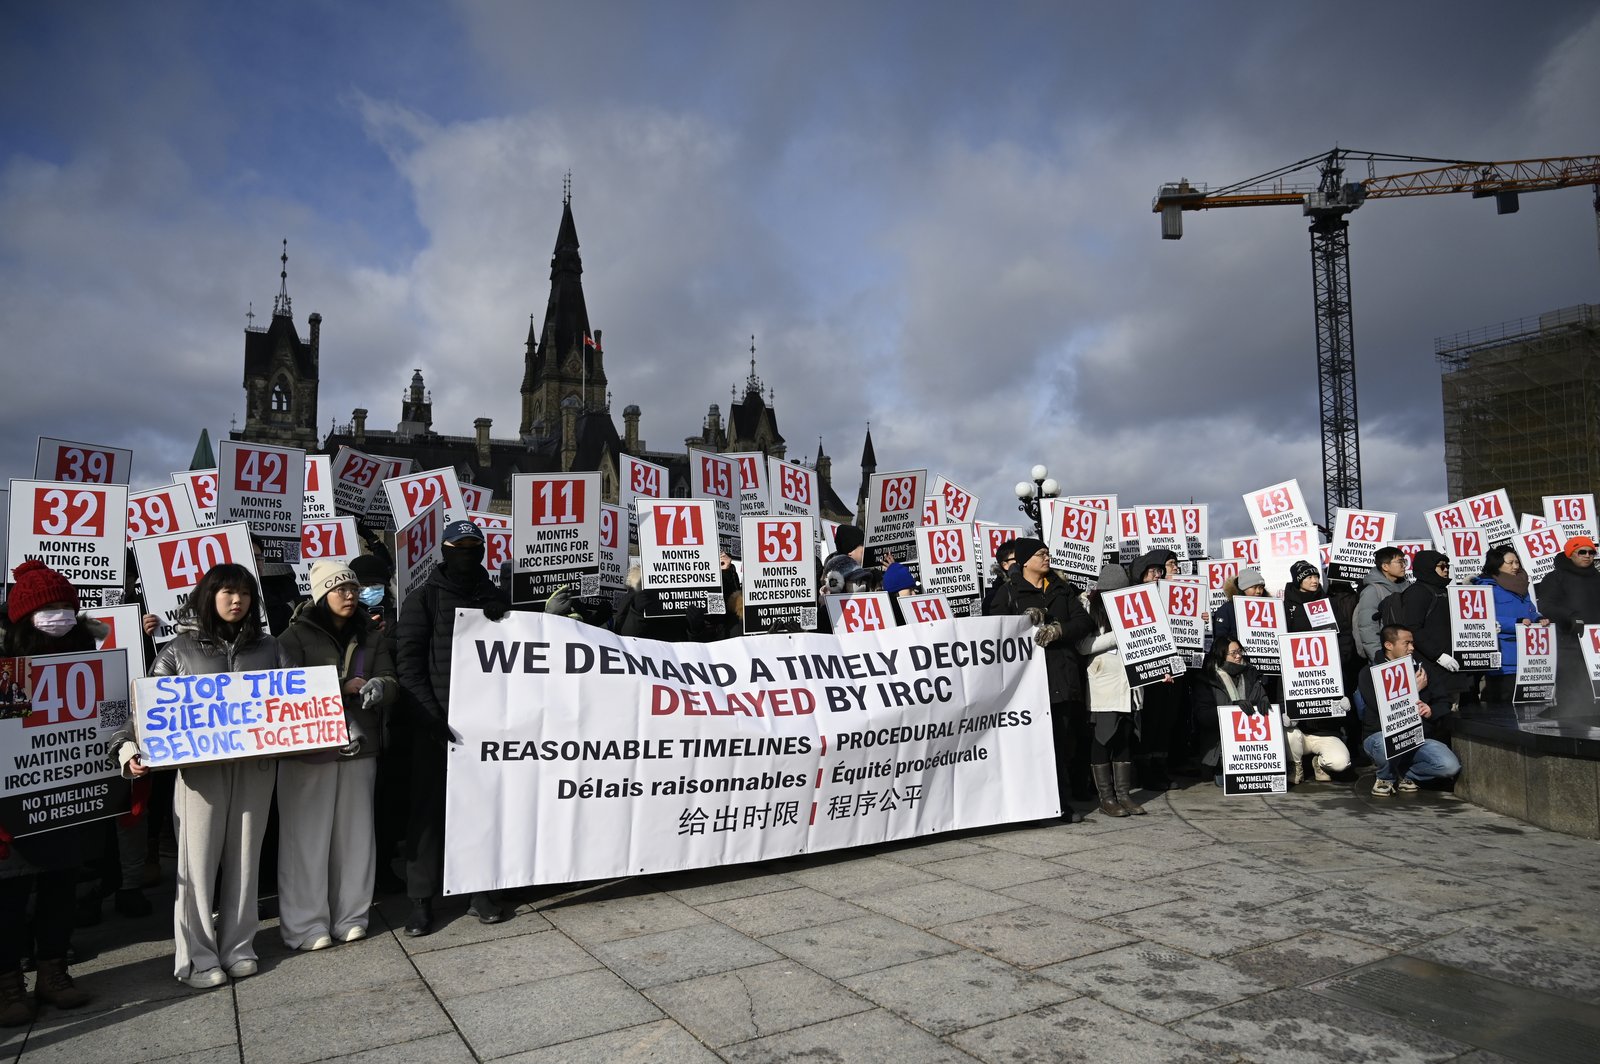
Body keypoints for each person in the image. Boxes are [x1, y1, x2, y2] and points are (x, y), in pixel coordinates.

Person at [116, 563, 287, 989]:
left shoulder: (270, 647)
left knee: (246, 861)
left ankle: (239, 947)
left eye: (244, 593)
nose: (237, 601)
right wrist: (128, 748)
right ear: (208, 596)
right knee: (197, 864)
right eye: (227, 592)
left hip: (255, 768)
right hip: (200, 774)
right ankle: (196, 957)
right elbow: (143, 710)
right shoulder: (178, 650)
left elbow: (297, 695)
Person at [274, 561, 397, 950]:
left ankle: (351, 916)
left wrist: (381, 686)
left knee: (356, 836)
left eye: (353, 589)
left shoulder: (370, 634)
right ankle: (305, 925)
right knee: (305, 838)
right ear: (321, 595)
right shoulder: (292, 637)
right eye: (340, 589)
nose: (350, 595)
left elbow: (391, 678)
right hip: (309, 749)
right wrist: (339, 686)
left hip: (361, 747)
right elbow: (284, 687)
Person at [395, 519, 508, 936]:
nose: (468, 554)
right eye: (460, 547)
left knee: (481, 809)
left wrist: (505, 617)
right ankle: (421, 900)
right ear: (445, 551)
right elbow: (408, 664)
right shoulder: (422, 599)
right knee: (427, 814)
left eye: (474, 547)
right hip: (436, 726)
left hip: (485, 727)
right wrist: (430, 715)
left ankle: (479, 890)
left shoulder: (496, 597)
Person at [0, 562, 98, 1023]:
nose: (59, 616)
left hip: (68, 794)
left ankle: (53, 972)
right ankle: (8, 984)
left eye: (65, 606)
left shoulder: (86, 654)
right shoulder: (8, 664)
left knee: (61, 885)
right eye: (48, 608)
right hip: (17, 798)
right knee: (10, 893)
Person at [985, 539, 1095, 819]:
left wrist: (1060, 630)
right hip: (1027, 684)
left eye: (1047, 553)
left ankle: (1060, 803)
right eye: (1040, 554)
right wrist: (1021, 623)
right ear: (1025, 561)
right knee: (1031, 746)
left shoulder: (1061, 588)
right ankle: (1031, 806)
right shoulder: (1009, 592)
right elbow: (993, 631)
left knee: (1062, 744)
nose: (1047, 558)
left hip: (1062, 677)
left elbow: (1084, 622)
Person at [1357, 625, 1461, 795]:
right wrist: (1413, 689)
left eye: (1412, 643)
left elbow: (1444, 701)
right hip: (1381, 735)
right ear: (1389, 645)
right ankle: (1385, 778)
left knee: (1449, 766)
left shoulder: (1422, 669)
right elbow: (1380, 707)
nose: (1412, 648)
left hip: (1417, 737)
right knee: (1385, 745)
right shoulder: (1369, 673)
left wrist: (1431, 710)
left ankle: (1405, 774)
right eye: (1406, 643)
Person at [1077, 564, 1144, 816]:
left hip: (1130, 682)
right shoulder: (1089, 608)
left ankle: (1123, 795)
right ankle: (1106, 798)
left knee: (1125, 738)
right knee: (1103, 739)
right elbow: (1083, 646)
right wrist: (1119, 635)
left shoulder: (1136, 608)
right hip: (1104, 683)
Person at [1279, 560, 1352, 782]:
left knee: (1341, 762)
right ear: (1298, 580)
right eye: (1309, 577)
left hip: (1326, 673)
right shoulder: (1285, 607)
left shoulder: (1328, 603)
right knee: (1289, 731)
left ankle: (1320, 763)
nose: (1314, 580)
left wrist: (1341, 657)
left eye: (1316, 576)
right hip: (1297, 675)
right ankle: (1295, 766)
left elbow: (1343, 633)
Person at [1388, 550, 1469, 733]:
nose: (1446, 570)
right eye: (1441, 566)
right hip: (1432, 666)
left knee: (1452, 714)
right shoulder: (1417, 593)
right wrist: (1438, 655)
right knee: (1438, 716)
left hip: (1451, 666)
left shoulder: (1444, 591)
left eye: (1447, 566)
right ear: (1428, 568)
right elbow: (1413, 629)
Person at [1190, 637, 1275, 785]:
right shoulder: (1207, 680)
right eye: (1233, 653)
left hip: (1250, 746)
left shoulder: (1250, 674)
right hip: (1218, 746)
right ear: (1221, 655)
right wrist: (1232, 708)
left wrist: (1264, 701)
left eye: (1240, 651)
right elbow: (1203, 717)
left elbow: (1260, 696)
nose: (1238, 656)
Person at [1533, 535, 1600, 713]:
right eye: (1582, 552)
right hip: (1569, 643)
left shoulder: (1597, 577)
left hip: (1596, 646)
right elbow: (1546, 605)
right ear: (1570, 554)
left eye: (1592, 552)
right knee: (1573, 696)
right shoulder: (1555, 577)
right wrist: (1570, 616)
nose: (1588, 555)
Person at [1474, 546, 1547, 704]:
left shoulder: (1522, 586)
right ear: (1497, 565)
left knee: (1531, 704)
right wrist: (1515, 623)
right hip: (1504, 658)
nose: (1515, 566)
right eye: (1510, 562)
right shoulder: (1486, 587)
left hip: (1528, 657)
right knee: (1504, 705)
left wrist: (1538, 618)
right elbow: (1483, 619)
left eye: (1517, 562)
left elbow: (1530, 610)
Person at [1355, 547, 1410, 664]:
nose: (1404, 565)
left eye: (1404, 561)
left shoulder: (1408, 589)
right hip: (1386, 661)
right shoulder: (1372, 591)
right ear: (1385, 566)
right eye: (1400, 562)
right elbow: (1368, 628)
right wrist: (1380, 659)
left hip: (1407, 655)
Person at [1209, 568, 1266, 654]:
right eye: (1254, 587)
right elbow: (1221, 639)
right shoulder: (1227, 609)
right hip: (1236, 657)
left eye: (1261, 587)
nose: (1258, 591)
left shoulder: (1268, 608)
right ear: (1243, 588)